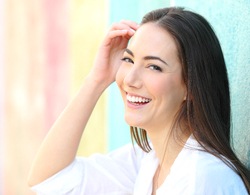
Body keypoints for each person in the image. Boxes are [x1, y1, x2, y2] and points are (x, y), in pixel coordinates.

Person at [28, 7, 250, 194]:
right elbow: (50, 180)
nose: (130, 79)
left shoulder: (203, 179)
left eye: (154, 66)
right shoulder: (148, 161)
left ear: (191, 86)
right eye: (128, 59)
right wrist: (96, 79)